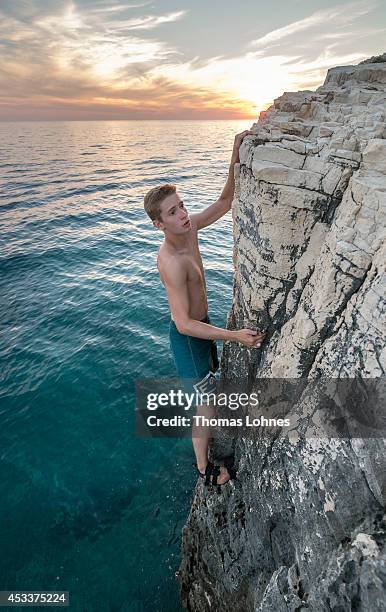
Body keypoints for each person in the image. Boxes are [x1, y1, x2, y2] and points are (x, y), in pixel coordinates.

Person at [143, 130, 266, 487]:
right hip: (188, 340)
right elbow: (182, 324)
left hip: (203, 327)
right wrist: (233, 337)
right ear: (158, 224)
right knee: (206, 406)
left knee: (211, 391)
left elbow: (225, 202)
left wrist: (235, 154)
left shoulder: (190, 227)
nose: (182, 214)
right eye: (172, 212)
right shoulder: (171, 263)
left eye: (181, 205)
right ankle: (203, 468)